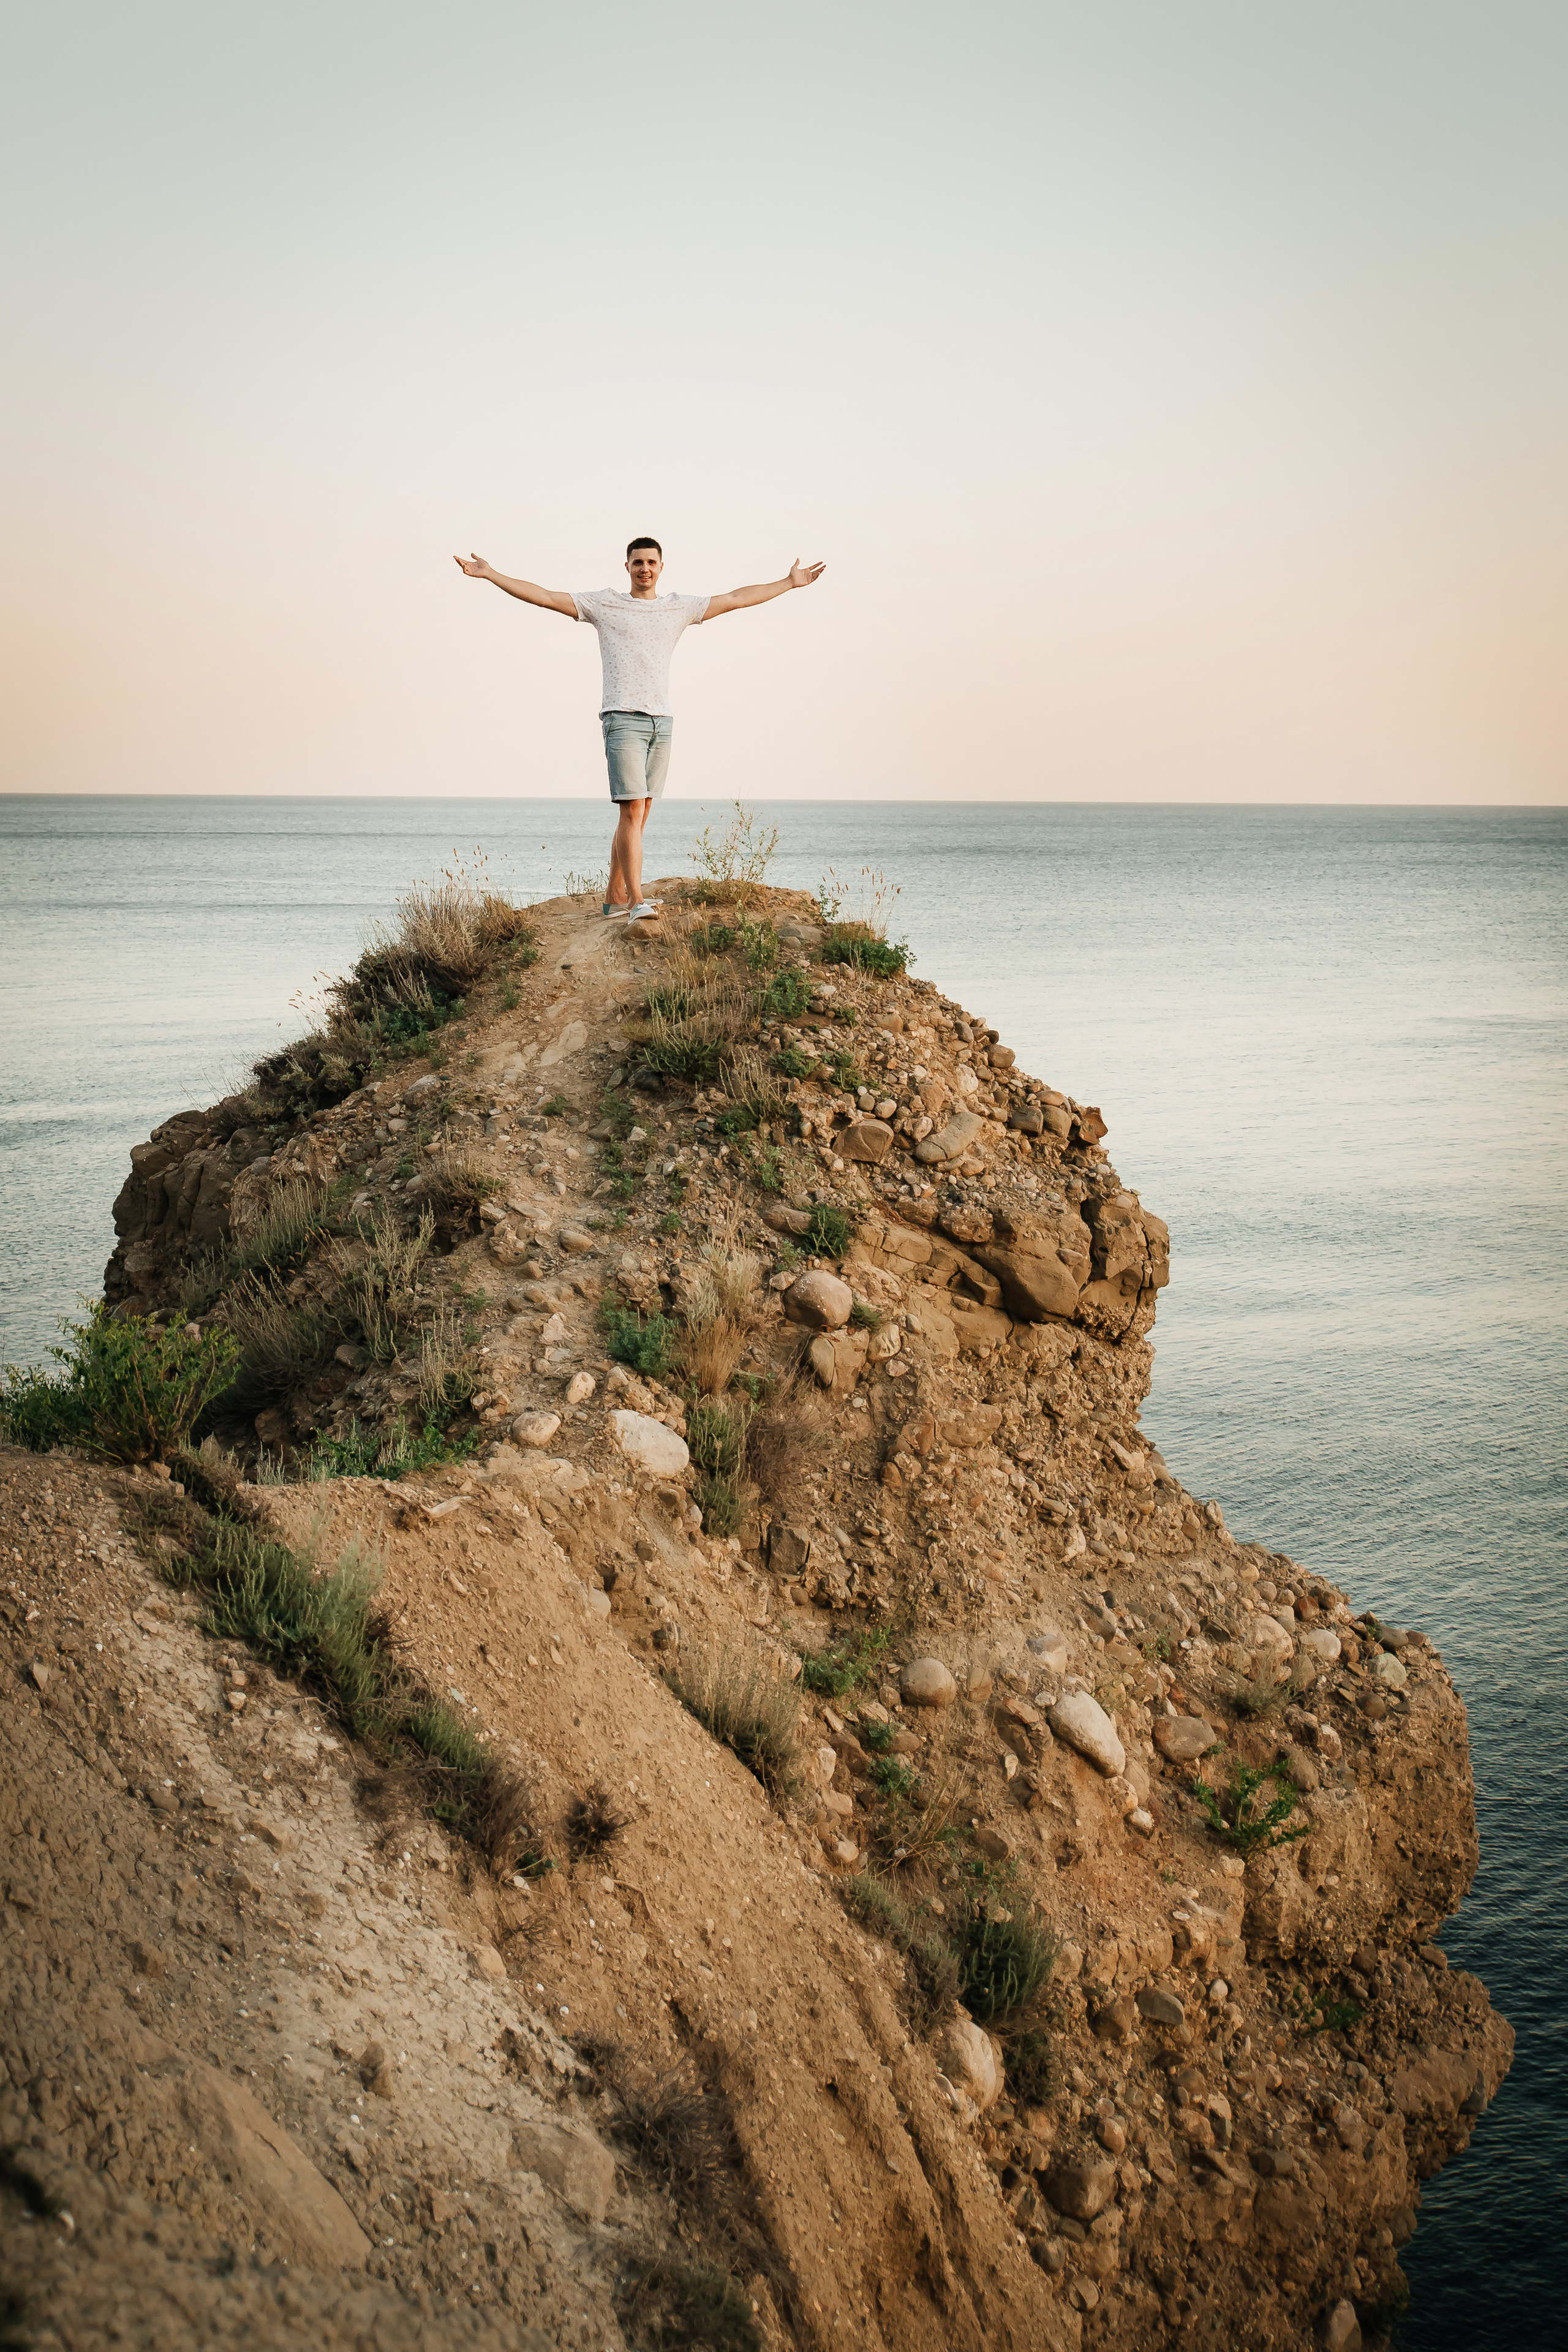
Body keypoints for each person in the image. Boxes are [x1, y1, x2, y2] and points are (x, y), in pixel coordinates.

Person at [455, 537, 825, 920]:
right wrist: (490, 574)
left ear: (661, 567)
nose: (644, 568)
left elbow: (734, 599)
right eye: (637, 563)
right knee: (632, 811)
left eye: (651, 562)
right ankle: (636, 901)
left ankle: (615, 899)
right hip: (622, 718)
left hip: (661, 721)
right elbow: (546, 596)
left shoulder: (678, 607)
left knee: (639, 813)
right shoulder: (605, 604)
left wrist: (788, 583)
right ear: (627, 567)